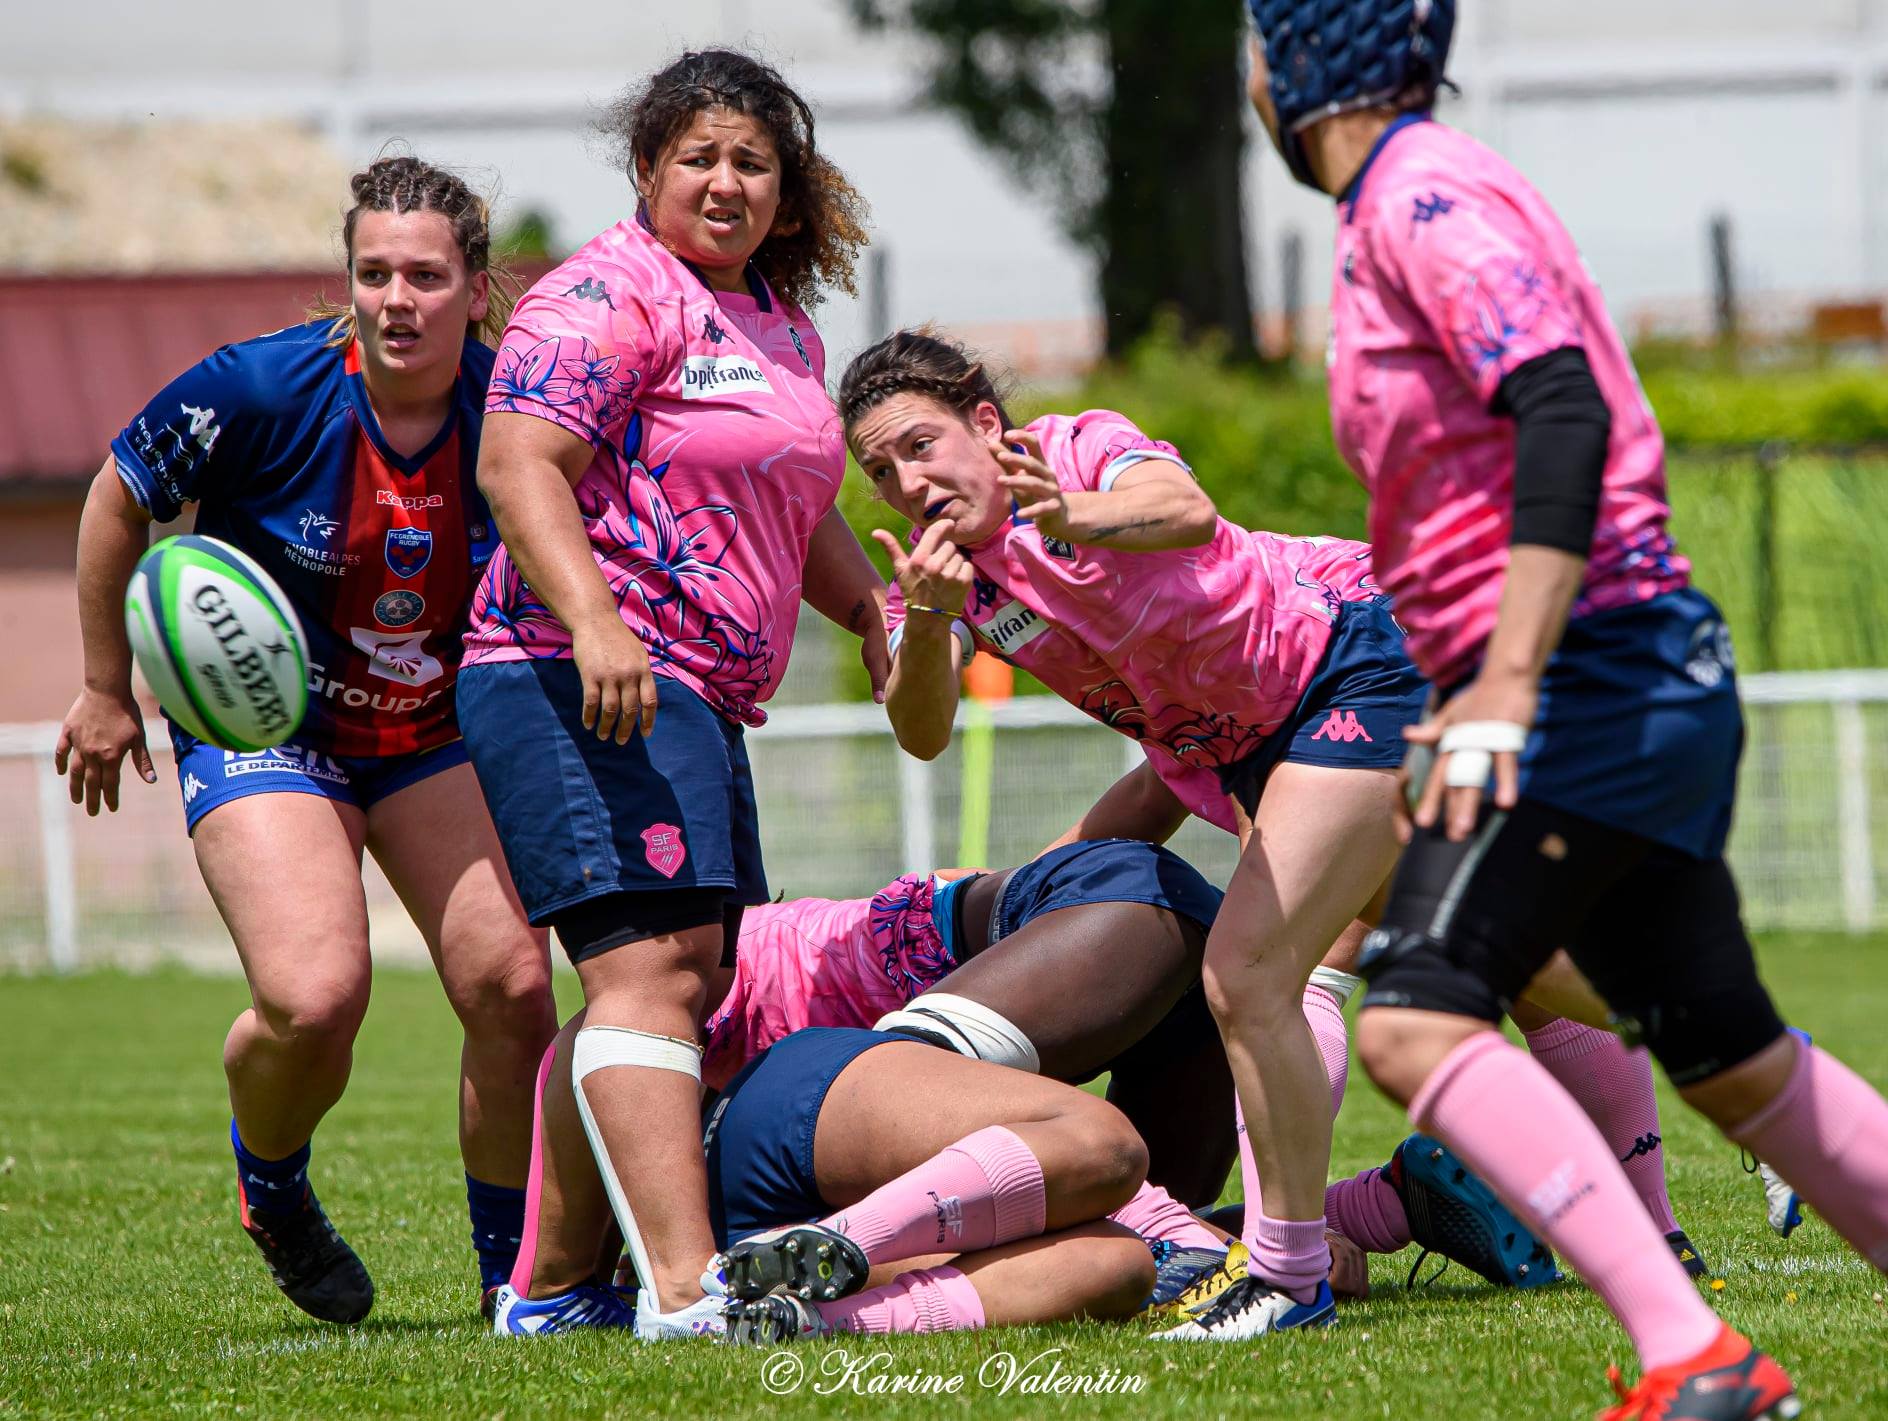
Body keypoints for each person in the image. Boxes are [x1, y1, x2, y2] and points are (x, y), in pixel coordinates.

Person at [1244, 2, 1888, 1415]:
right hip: (1609, 669)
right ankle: (1697, 1351)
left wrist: (1512, 684)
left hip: (1593, 669)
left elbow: (1563, 409)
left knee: (1414, 1015)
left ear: (1295, 59)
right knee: (1734, 1057)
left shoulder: (1420, 191)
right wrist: (1464, 680)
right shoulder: (1388, 212)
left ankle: (1696, 1359)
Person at [839, 327, 1433, 1341]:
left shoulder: (1075, 448)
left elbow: (1182, 509)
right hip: (1244, 747)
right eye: (882, 470)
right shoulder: (939, 583)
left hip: (1352, 650)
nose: (906, 480)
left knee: (1251, 972)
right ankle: (1738, 1066)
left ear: (986, 423)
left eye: (921, 444)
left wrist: (1075, 515)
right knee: (1513, 957)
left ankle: (1285, 1273)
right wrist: (934, 622)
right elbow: (922, 728)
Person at [54, 156, 558, 1324]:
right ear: (349, 279)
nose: (396, 298)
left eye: (425, 275)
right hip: (265, 727)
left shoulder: (516, 414)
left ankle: (514, 1278)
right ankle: (272, 1187)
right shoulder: (261, 387)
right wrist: (102, 686)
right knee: (317, 996)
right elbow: (115, 497)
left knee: (514, 984)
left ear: (475, 290)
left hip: (430, 732)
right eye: (373, 270)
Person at [455, 49, 889, 1342]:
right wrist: (595, 622)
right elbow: (516, 460)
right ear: (647, 170)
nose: (724, 180)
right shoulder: (607, 291)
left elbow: (799, 507)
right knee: (652, 971)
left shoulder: (780, 325)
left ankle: (549, 1292)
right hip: (578, 670)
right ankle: (687, 1290)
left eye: (752, 161)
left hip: (692, 694)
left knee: (678, 981)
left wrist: (873, 608)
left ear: (788, 193)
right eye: (697, 156)